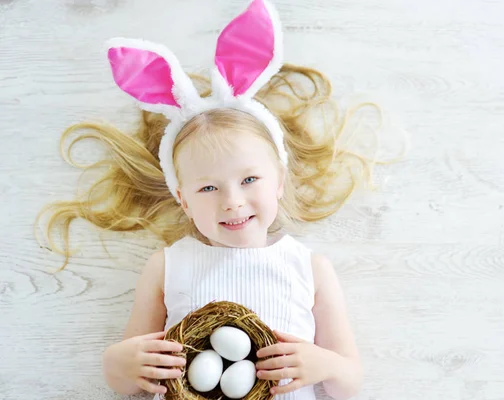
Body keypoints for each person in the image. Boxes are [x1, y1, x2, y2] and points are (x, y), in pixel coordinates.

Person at [36, 0, 397, 399]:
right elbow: (129, 384)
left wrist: (323, 363)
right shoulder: (169, 265)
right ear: (183, 199)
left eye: (249, 179)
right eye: (208, 188)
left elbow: (349, 383)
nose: (232, 201)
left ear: (278, 181)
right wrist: (117, 364)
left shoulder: (309, 268)